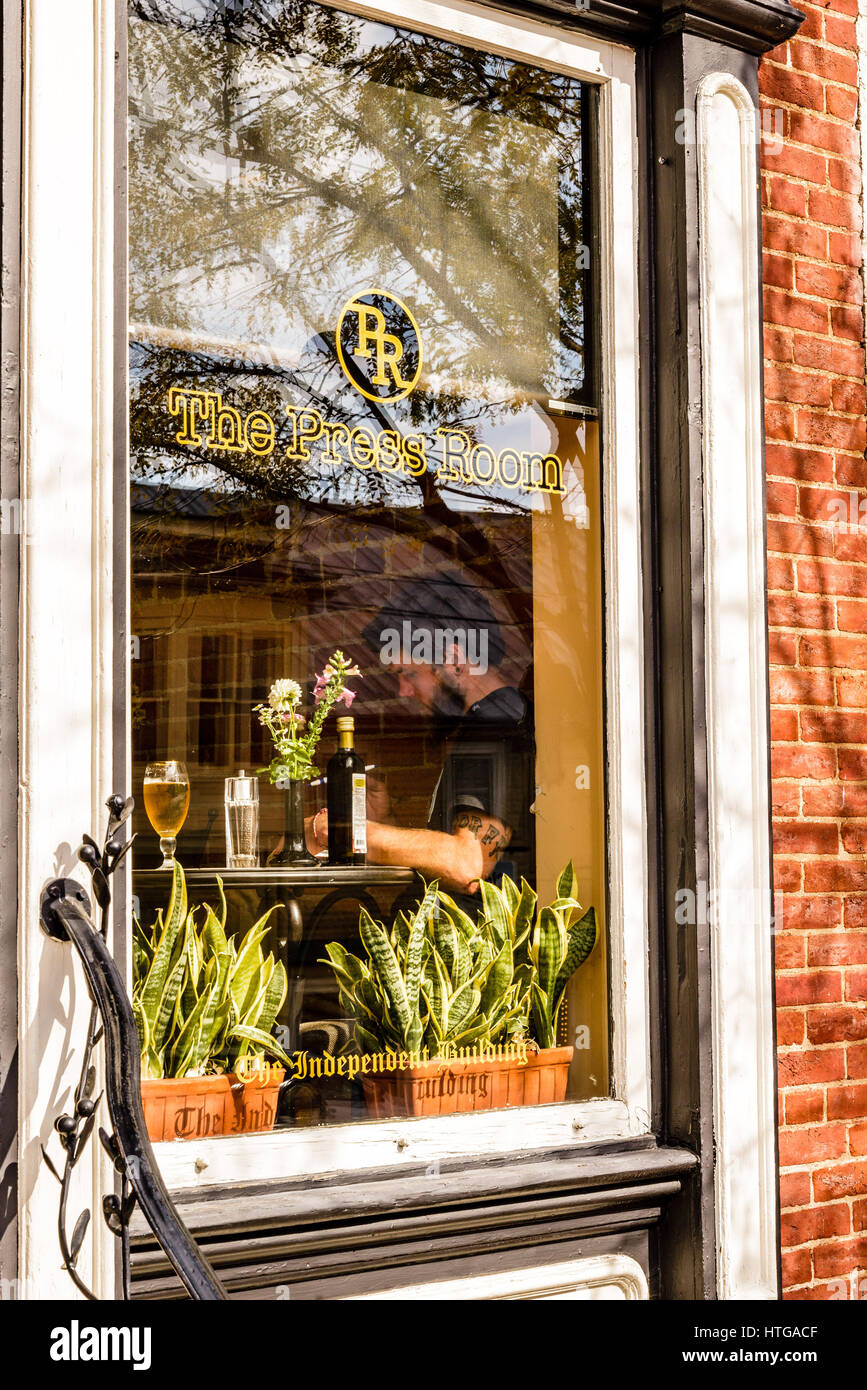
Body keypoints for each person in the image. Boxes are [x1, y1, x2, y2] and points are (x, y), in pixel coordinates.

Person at [307, 574, 535, 899]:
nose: (403, 691)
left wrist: (348, 832)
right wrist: (386, 822)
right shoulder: (492, 719)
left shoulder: (494, 727)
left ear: (454, 661)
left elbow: (469, 863)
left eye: (409, 673)